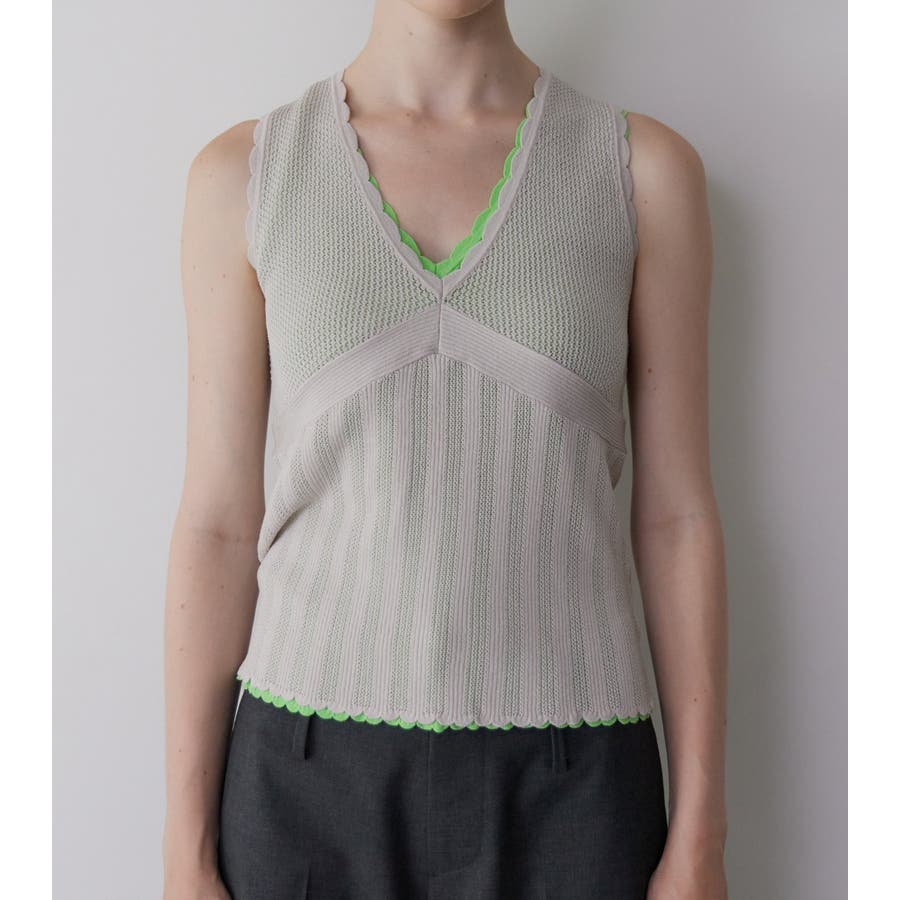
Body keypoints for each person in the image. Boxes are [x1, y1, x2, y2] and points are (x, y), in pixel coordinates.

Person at [161, 2, 728, 898]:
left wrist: (700, 833)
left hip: (576, 787)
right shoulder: (249, 175)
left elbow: (677, 518)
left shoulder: (640, 172)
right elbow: (219, 525)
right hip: (303, 783)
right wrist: (184, 852)